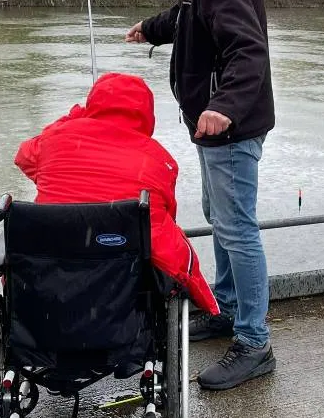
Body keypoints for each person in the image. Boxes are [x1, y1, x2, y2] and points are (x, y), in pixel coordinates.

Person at [125, 0, 275, 391]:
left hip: (230, 126)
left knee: (238, 229)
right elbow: (193, 21)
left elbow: (247, 50)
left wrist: (222, 107)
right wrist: (151, 28)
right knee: (221, 218)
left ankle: (254, 343)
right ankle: (227, 310)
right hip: (217, 126)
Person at [13, 72, 219, 316]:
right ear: (146, 113)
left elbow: (24, 158)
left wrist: (74, 118)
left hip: (48, 276)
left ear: (93, 104)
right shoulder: (158, 159)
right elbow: (166, 215)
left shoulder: (54, 140)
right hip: (121, 286)